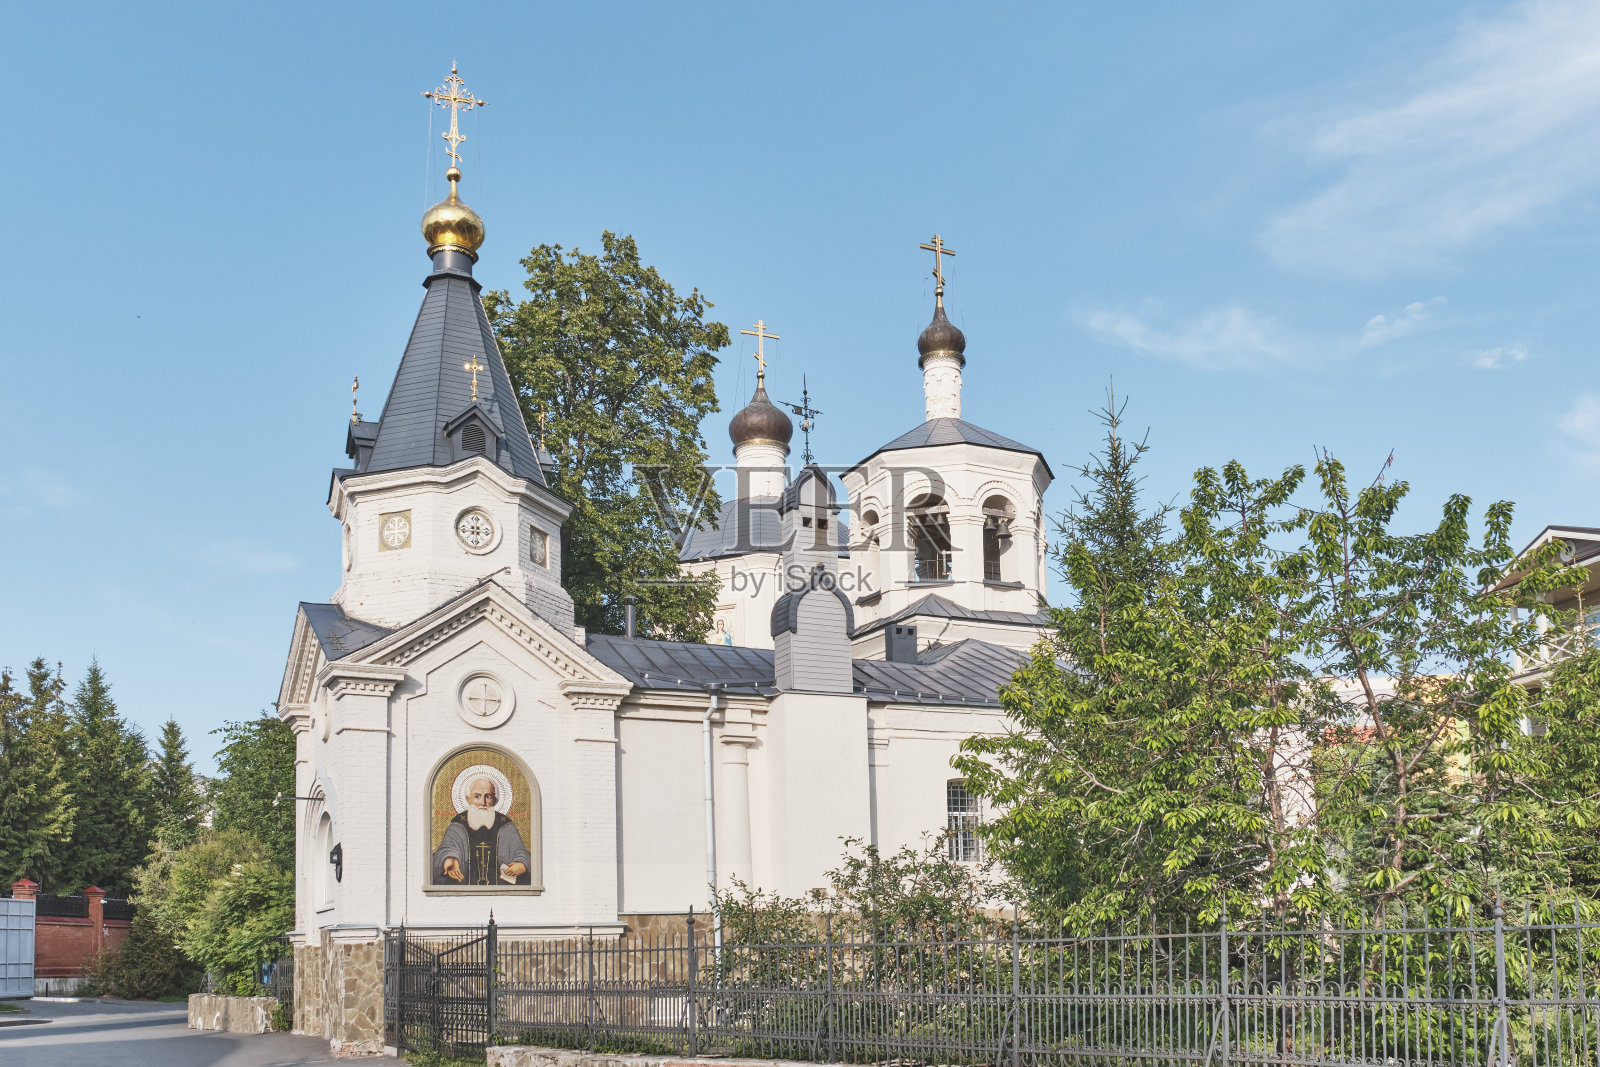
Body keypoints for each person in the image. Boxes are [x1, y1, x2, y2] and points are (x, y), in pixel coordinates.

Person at [431, 775, 531, 885]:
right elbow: (446, 849)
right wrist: (448, 859)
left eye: (488, 796)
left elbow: (521, 852)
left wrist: (522, 864)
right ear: (468, 799)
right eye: (477, 796)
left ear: (494, 799)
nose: (483, 802)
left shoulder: (506, 825)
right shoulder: (458, 824)